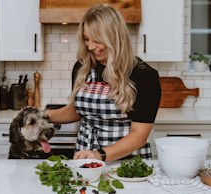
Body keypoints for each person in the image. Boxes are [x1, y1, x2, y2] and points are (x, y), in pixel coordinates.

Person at [45, 3, 161, 162]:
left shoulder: (144, 75)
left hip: (128, 164)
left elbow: (139, 136)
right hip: (85, 156)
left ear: (115, 37)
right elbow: (76, 110)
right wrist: (42, 116)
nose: (91, 46)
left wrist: (99, 155)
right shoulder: (83, 68)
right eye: (86, 39)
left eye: (98, 40)